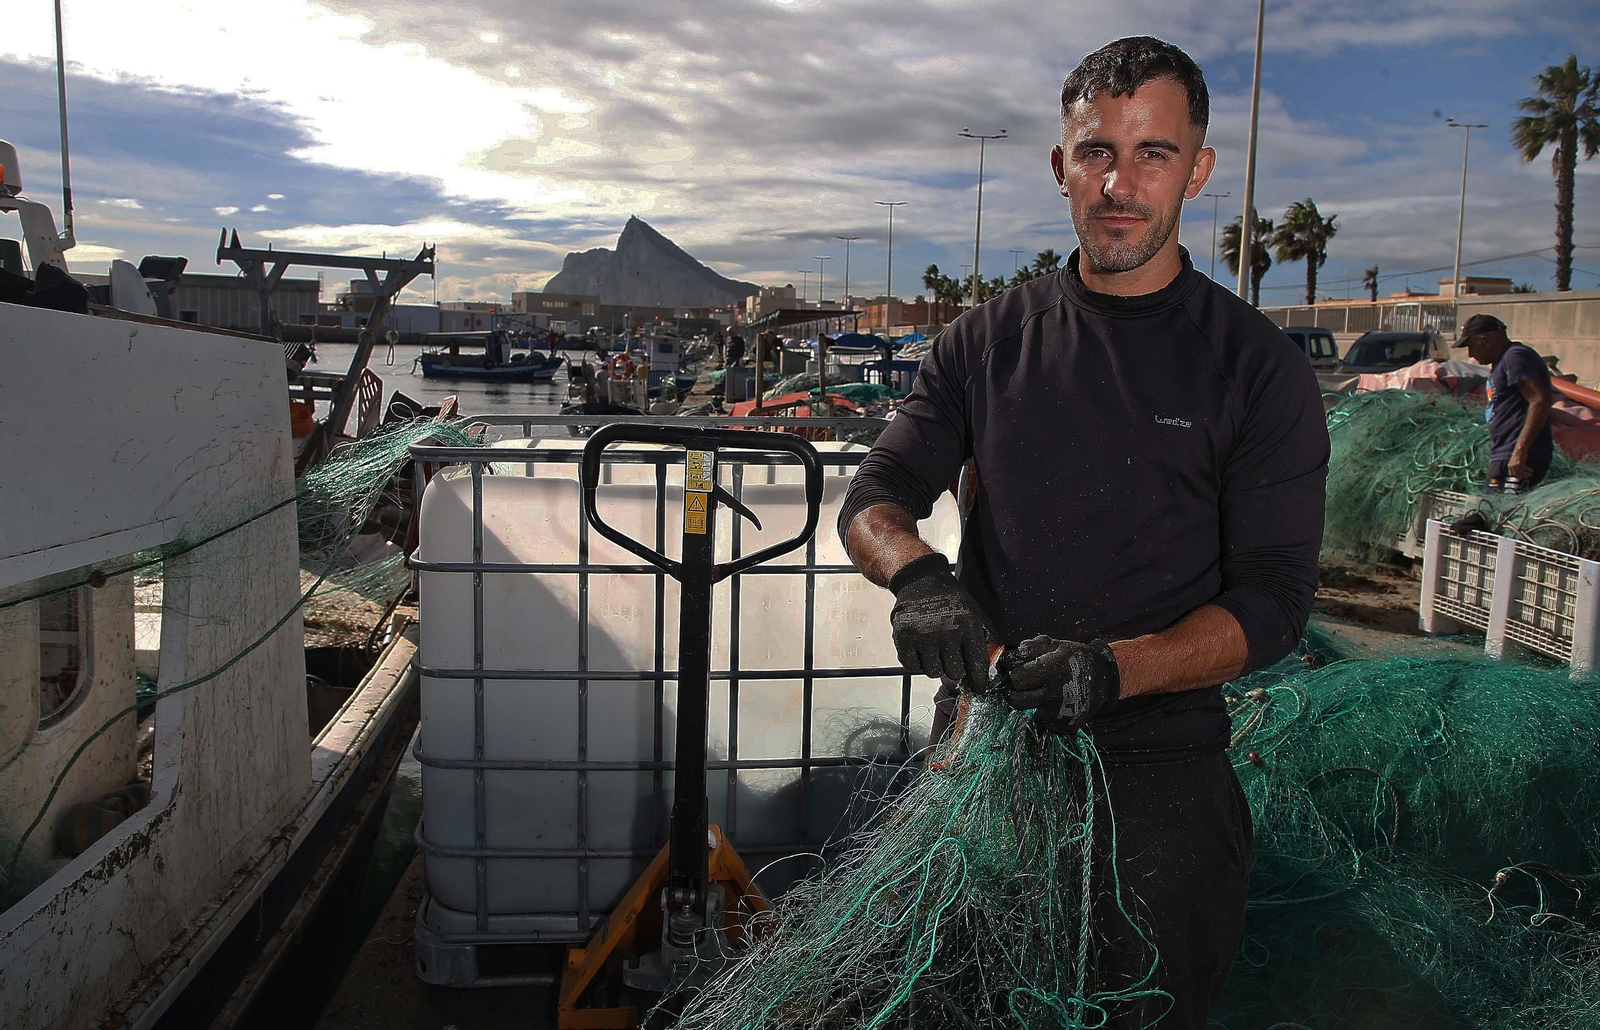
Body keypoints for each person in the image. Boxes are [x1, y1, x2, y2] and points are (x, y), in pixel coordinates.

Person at [837, 36, 1328, 1028]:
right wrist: (918, 575)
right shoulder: (984, 341)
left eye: (1152, 153)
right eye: (1096, 150)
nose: (1119, 182)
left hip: (1163, 786)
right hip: (982, 763)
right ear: (1060, 165)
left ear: (1197, 170)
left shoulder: (1256, 367)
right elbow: (875, 496)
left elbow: (1273, 602)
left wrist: (1115, 669)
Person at [1457, 313, 1553, 493]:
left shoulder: (1515, 357)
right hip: (1505, 455)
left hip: (1517, 458)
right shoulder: (1502, 362)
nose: (1470, 354)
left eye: (1471, 346)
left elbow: (1540, 401)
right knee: (1489, 511)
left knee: (1497, 514)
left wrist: (1519, 451)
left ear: (1485, 339)